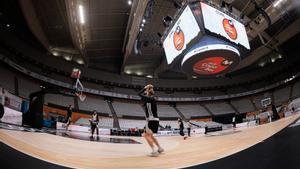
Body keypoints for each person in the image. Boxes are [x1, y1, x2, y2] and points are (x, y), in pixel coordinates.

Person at [138, 84, 164, 157]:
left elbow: (139, 94)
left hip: (151, 120)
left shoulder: (149, 98)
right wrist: (148, 89)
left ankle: (154, 151)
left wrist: (145, 88)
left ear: (148, 92)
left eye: (146, 92)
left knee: (145, 135)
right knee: (151, 135)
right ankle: (160, 148)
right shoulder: (151, 98)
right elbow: (142, 97)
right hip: (155, 120)